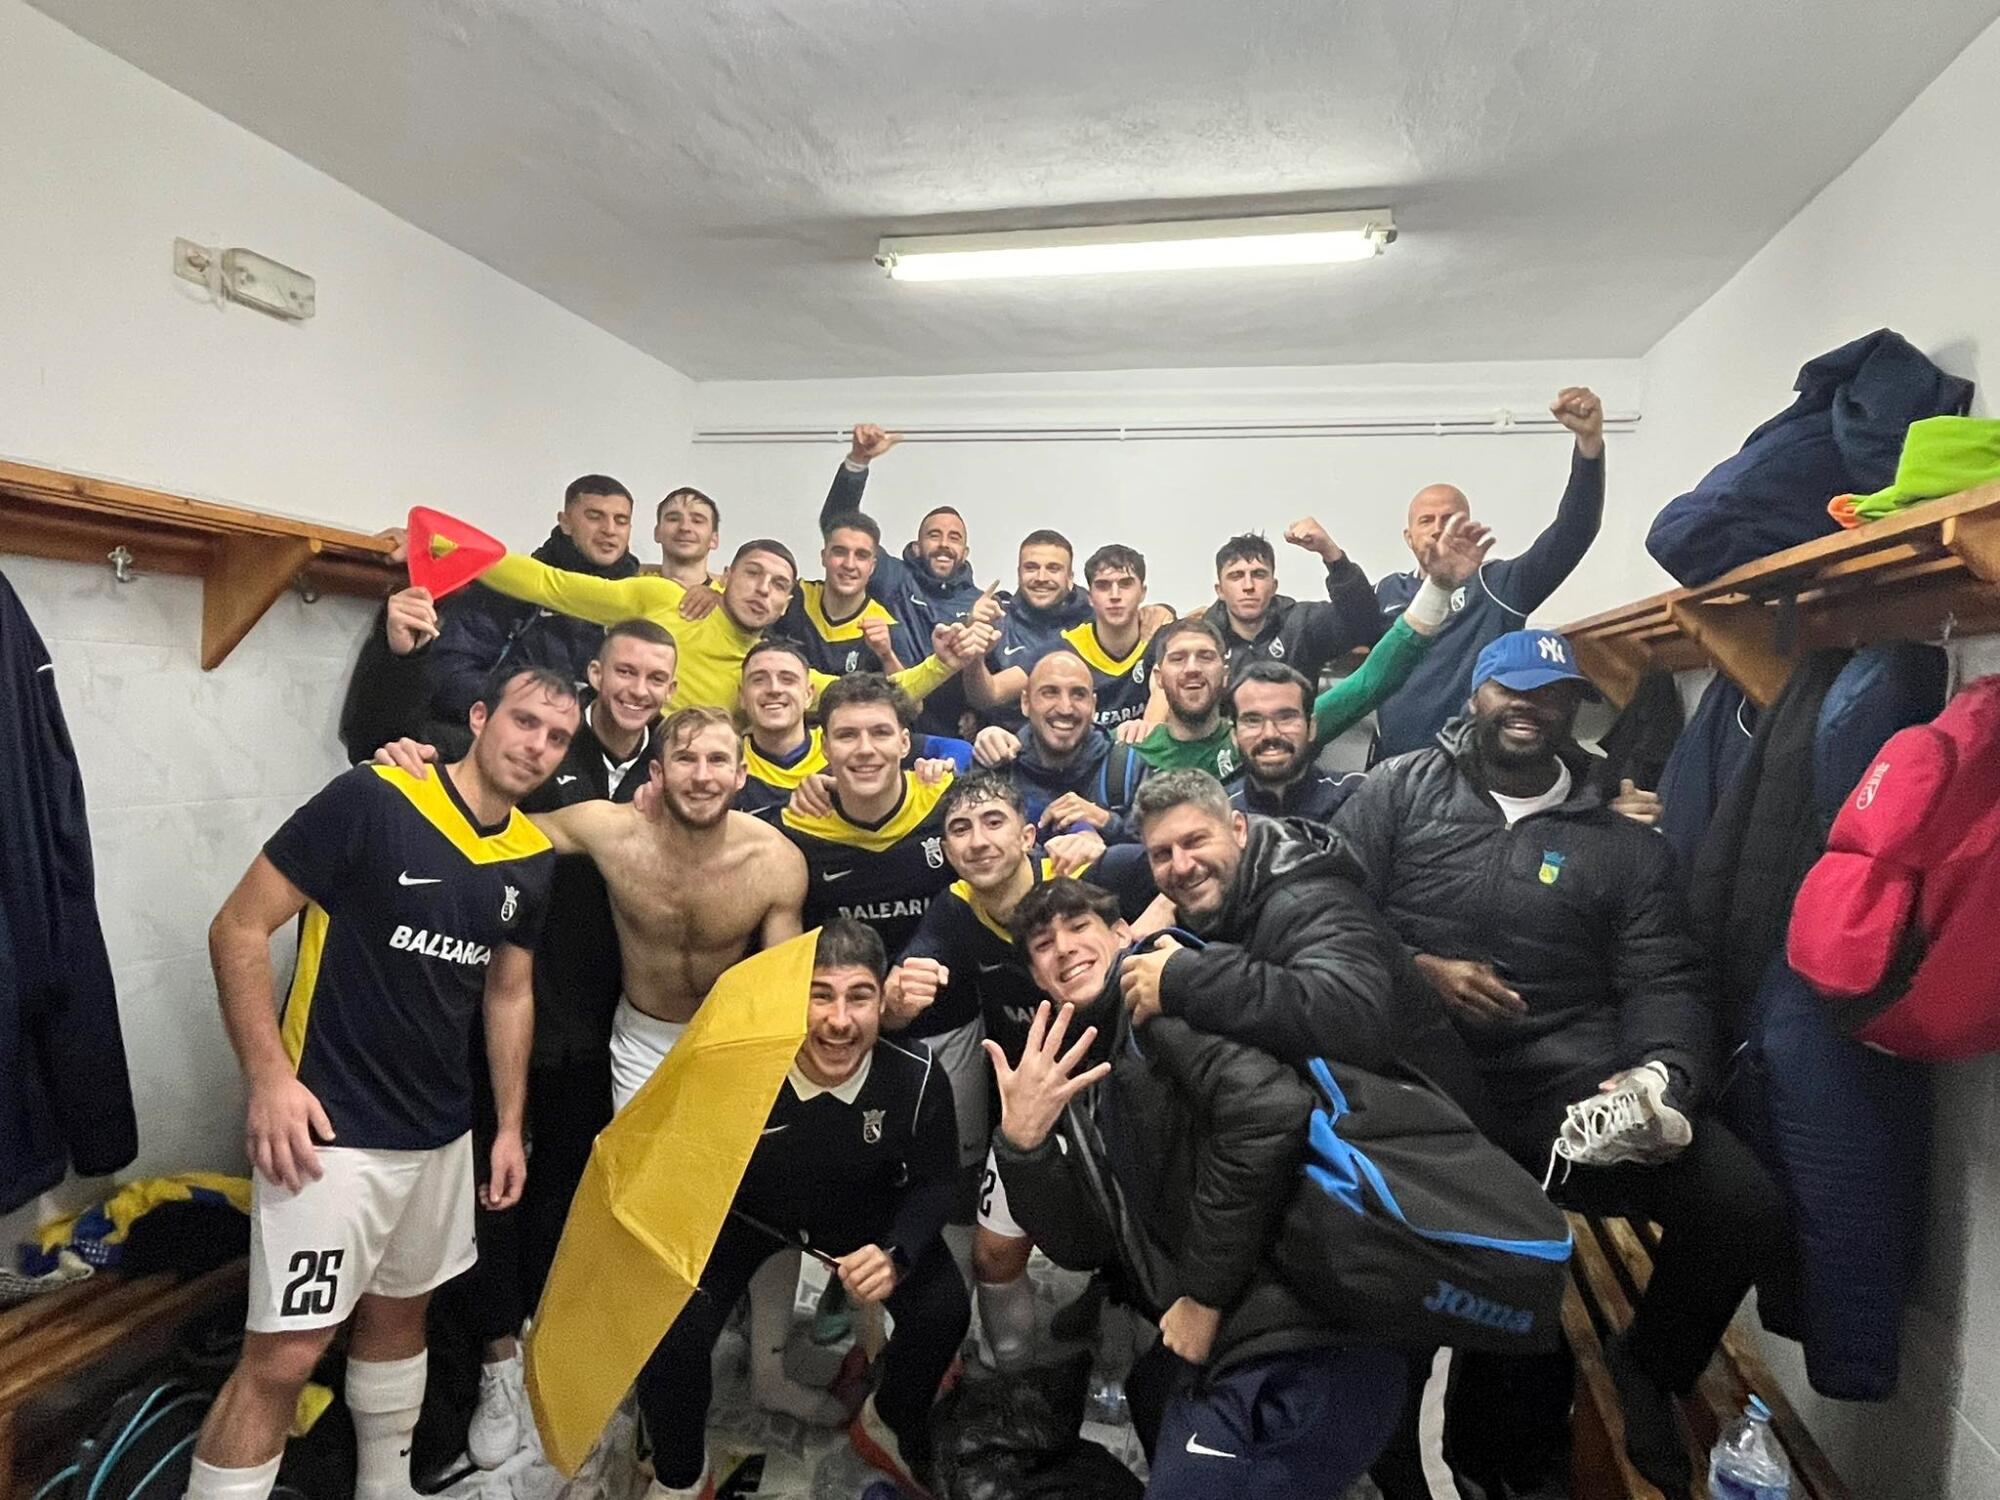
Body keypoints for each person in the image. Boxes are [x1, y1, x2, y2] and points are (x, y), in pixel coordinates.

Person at [1333, 629, 1783, 1493]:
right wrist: (1419, 971)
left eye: (1550, 693)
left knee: (1743, 1205)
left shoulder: (1625, 842)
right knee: (1434, 1276)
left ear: (1573, 706)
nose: (1529, 707)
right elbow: (1324, 908)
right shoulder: (1397, 791)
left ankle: (1649, 1366)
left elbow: (1666, 978)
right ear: (1477, 695)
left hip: (1564, 1087)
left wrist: (1662, 1076)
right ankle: (1395, 1456)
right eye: (1512, 688)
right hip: (1416, 1079)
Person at [186, 667, 576, 1500]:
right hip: (331, 1133)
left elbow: (508, 995)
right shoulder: (376, 796)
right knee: (284, 1357)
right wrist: (268, 1078)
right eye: (525, 721)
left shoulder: (532, 858)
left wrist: (508, 1127)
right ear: (480, 717)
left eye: (556, 737)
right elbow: (238, 927)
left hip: (440, 1135)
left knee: (402, 1314)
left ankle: (385, 1486)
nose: (537, 745)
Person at [989, 884, 1408, 1498]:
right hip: (1233, 1328)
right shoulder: (1082, 1067)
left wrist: (1204, 1298)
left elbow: (1269, 1114)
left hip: (1298, 1322)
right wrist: (1024, 1148)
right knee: (1152, 1393)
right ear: (1037, 979)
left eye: (1079, 926)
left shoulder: (1168, 1011)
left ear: (1122, 933)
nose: (1064, 948)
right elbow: (1084, 1246)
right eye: (1043, 944)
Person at [634, 921, 969, 1500]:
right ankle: (681, 1475)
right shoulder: (739, 1067)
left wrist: (895, 1253)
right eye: (820, 996)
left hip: (859, 1209)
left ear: (883, 1001)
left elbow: (937, 1181)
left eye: (859, 997)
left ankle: (887, 1421)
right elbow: (685, 1164)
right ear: (793, 1001)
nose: (839, 1020)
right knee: (666, 1331)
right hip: (747, 1215)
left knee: (943, 1311)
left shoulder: (914, 1075)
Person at [457, 619, 677, 1467]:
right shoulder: (548, 740)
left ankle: (543, 1341)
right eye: (626, 671)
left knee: (565, 1191)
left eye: (655, 677)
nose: (638, 689)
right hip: (502, 1003)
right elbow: (464, 778)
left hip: (601, 1020)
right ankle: (495, 1358)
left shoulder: (673, 768)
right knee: (494, 1187)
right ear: (595, 673)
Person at [890, 773, 1160, 1373]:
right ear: (946, 850)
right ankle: (1010, 1375)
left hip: (1130, 1096)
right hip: (1032, 1108)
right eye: (961, 829)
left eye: (994, 822)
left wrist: (1153, 924)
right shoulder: (956, 908)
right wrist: (897, 993)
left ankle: (1134, 1358)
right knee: (993, 1255)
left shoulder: (1087, 869)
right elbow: (911, 972)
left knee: (1146, 1246)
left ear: (1027, 835)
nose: (979, 840)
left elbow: (1195, 864)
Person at [469, 534, 985, 712]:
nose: (763, 590)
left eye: (778, 585)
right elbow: (549, 585)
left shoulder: (771, 673)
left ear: (785, 605)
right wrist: (444, 547)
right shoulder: (663, 598)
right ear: (726, 577)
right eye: (753, 574)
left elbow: (870, 693)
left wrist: (942, 664)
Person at [1372, 386, 1608, 759]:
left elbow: (1573, 533)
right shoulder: (1387, 591)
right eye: (1426, 520)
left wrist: (1589, 448)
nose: (1438, 528)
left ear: (1467, 526)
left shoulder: (1498, 584)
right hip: (1394, 765)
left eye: (1449, 518)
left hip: (1475, 766)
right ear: (1408, 536)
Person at [424, 477, 638, 750]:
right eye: (595, 516)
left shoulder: (641, 605)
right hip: (494, 741)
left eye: (621, 521)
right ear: (565, 522)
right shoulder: (510, 587)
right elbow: (451, 675)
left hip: (594, 752)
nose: (609, 530)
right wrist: (526, 710)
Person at [736, 638, 970, 820]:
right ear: (742, 696)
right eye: (759, 680)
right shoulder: (727, 762)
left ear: (809, 695)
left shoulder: (849, 738)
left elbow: (960, 749)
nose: (774, 689)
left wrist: (942, 769)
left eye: (787, 679)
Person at [967, 543, 1158, 739]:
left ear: (1143, 592)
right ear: (1090, 597)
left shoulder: (1159, 637)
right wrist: (975, 655)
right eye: (1103, 586)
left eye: (1125, 584)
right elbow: (991, 693)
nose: (1115, 596)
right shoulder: (1065, 648)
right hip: (1081, 755)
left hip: (1141, 752)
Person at [970, 652, 1152, 842]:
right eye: (1050, 692)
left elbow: (1159, 847)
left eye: (1078, 694)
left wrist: (1106, 822)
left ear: (1093, 706)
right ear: (1025, 702)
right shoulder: (998, 767)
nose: (1065, 708)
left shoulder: (1126, 768)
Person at [1183, 516, 1380, 686]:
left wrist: (1330, 552)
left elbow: (1364, 622)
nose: (1248, 586)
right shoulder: (1202, 639)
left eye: (1259, 575)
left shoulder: (1301, 625)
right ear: (1220, 591)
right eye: (1236, 576)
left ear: (1274, 586)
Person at [781, 509, 921, 678]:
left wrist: (886, 656)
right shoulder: (794, 597)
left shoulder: (886, 626)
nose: (849, 564)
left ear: (872, 566)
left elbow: (908, 694)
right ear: (824, 557)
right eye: (840, 552)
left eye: (861, 555)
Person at [1131, 619, 1240, 778]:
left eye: (1205, 657)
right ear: (1159, 677)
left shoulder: (1247, 748)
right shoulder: (1129, 752)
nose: (1192, 669)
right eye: (1177, 658)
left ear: (1225, 675)